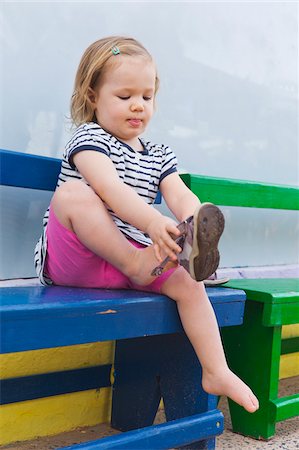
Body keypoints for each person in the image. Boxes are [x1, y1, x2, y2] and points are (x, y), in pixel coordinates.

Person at [34, 36, 259, 413]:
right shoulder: (89, 138)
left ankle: (215, 369)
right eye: (124, 96)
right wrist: (155, 223)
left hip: (136, 261)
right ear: (93, 96)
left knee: (189, 282)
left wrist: (193, 218)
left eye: (147, 96)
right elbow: (110, 189)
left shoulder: (159, 153)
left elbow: (178, 193)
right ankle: (139, 261)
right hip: (77, 259)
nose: (138, 105)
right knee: (74, 194)